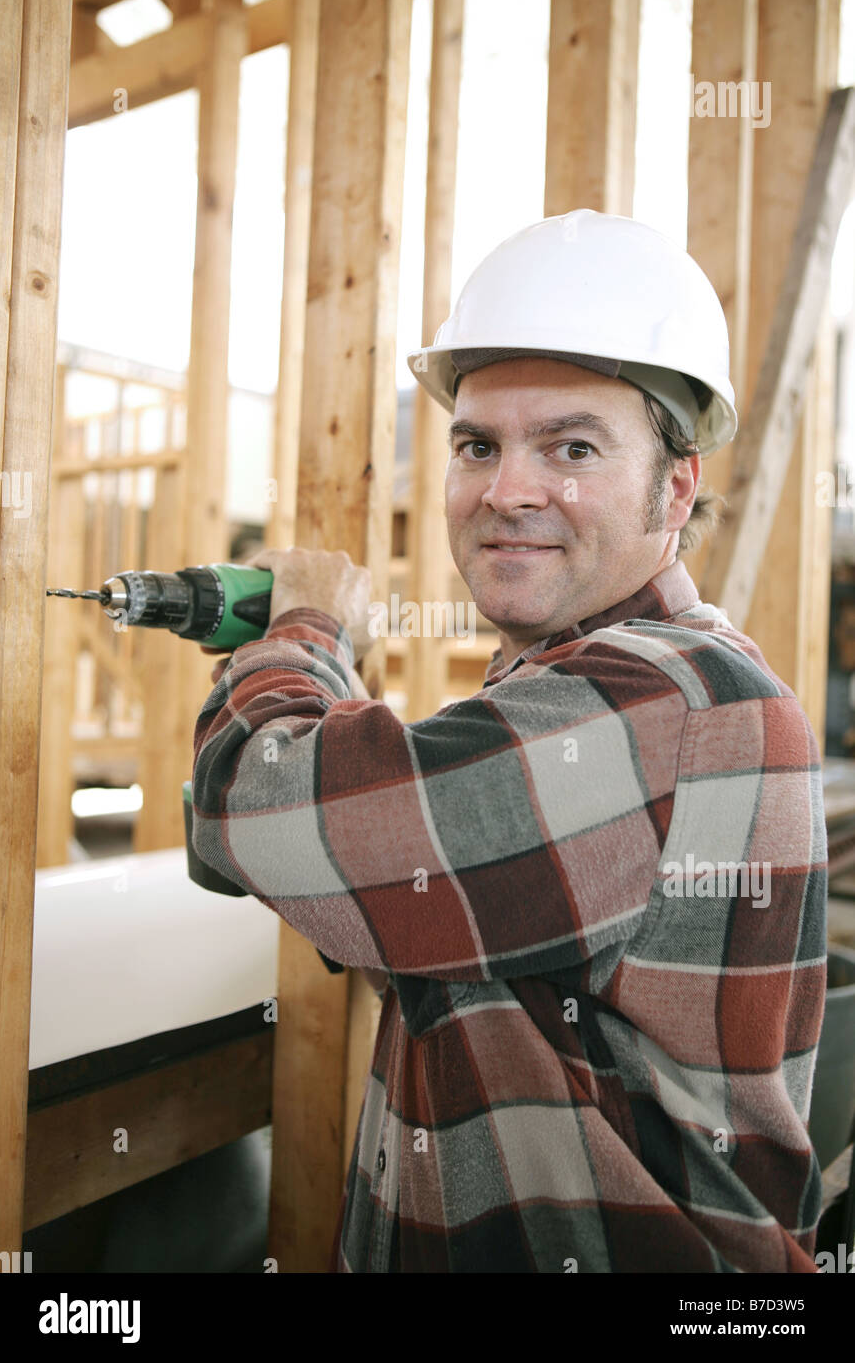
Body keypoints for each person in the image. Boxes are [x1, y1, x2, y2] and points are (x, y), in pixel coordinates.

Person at [190, 209, 827, 1273]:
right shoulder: (564, 688)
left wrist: (304, 628)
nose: (507, 489)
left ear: (674, 487)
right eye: (477, 445)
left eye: (569, 446)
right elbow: (374, 883)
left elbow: (249, 810)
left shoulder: (668, 698)